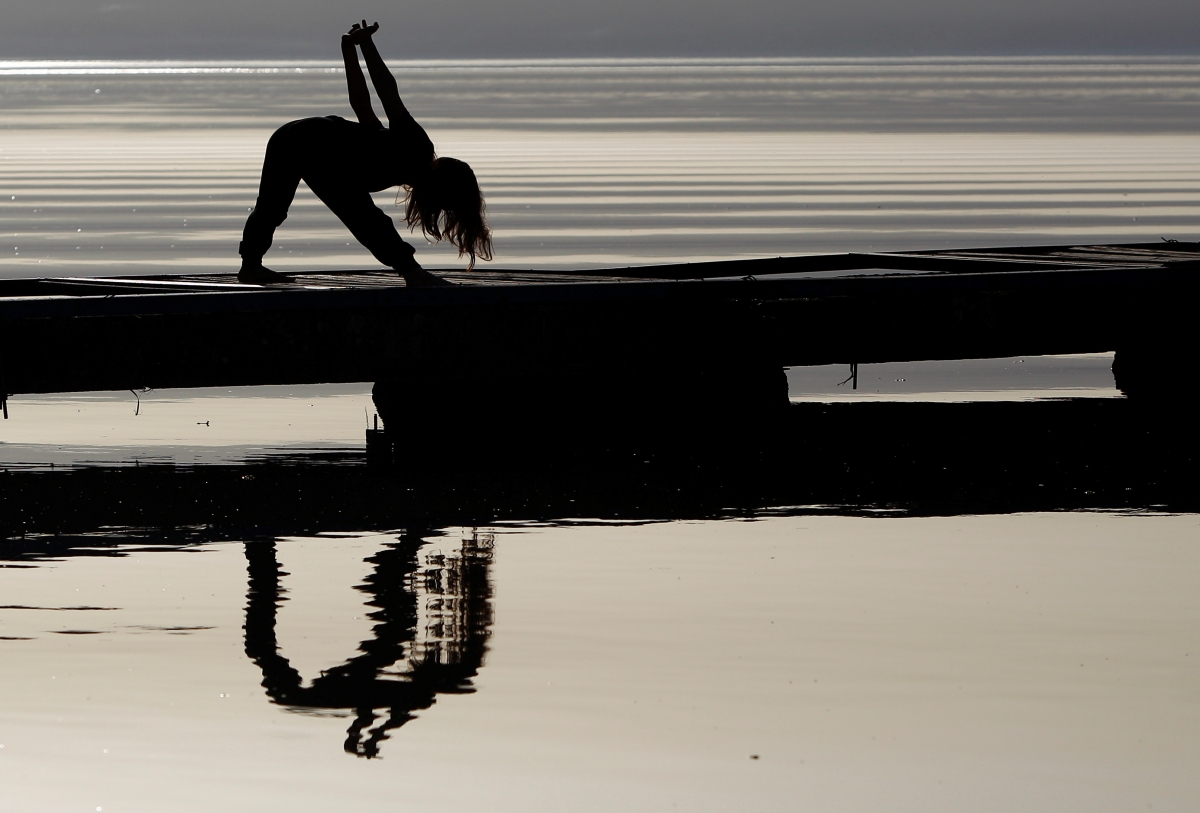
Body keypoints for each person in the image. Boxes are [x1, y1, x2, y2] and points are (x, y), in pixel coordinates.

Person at [237, 21, 492, 285]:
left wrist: (349, 50)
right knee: (363, 215)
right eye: (443, 204)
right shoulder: (417, 148)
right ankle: (411, 271)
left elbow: (361, 103)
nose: (435, 209)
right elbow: (387, 93)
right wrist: (366, 44)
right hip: (317, 142)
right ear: (443, 187)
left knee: (272, 208)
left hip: (290, 135)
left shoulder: (386, 145)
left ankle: (250, 267)